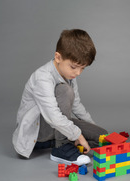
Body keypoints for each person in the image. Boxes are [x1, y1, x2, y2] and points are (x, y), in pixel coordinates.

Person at [12, 29, 108, 165]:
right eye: (74, 67)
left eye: (82, 69)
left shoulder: (68, 73)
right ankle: (61, 147)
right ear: (58, 57)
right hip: (39, 132)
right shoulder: (43, 77)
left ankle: (67, 140)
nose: (78, 73)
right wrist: (78, 135)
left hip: (57, 124)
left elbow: (76, 105)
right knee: (64, 90)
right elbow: (52, 116)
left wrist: (91, 126)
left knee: (103, 135)